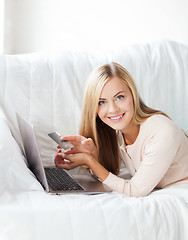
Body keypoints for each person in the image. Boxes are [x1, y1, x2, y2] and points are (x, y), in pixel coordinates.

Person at [54, 62, 188, 197]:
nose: (113, 110)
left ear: (133, 95)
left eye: (119, 97)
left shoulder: (162, 132)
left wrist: (90, 161)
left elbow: (135, 190)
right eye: (102, 102)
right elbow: (112, 175)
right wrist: (92, 154)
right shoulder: (118, 130)